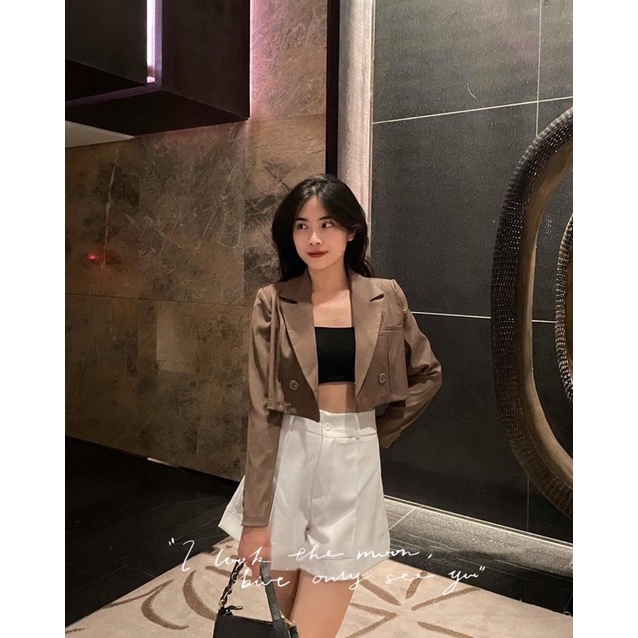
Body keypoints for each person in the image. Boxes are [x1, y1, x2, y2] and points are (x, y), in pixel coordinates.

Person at [218, 174, 442, 638]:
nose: (314, 238)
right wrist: (256, 523)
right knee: (283, 626)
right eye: (301, 226)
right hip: (288, 458)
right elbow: (263, 412)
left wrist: (375, 433)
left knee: (315, 628)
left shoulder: (385, 296)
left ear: (352, 230)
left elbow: (428, 373)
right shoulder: (273, 302)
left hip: (351, 467)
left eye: (327, 224)